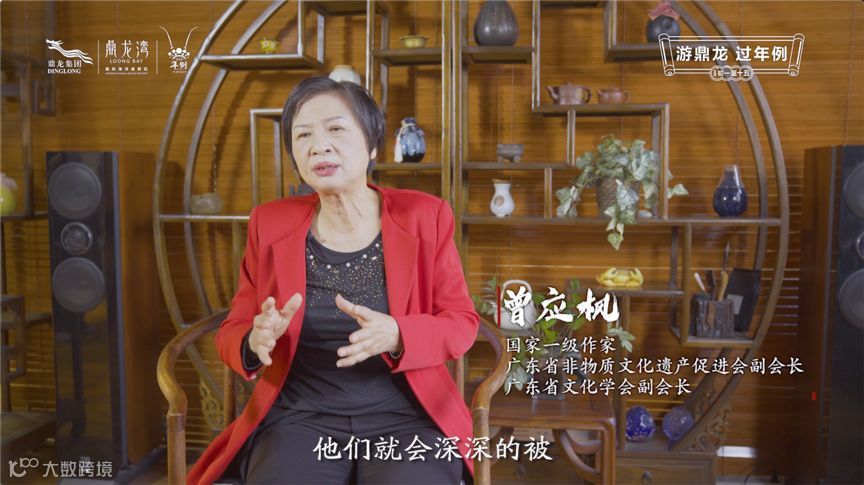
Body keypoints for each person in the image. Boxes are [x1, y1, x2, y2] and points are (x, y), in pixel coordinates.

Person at [187, 76, 480, 485]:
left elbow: (461, 323)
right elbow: (233, 328)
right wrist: (254, 341)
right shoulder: (269, 223)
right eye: (303, 135)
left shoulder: (425, 216)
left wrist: (398, 334)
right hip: (300, 419)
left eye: (336, 129)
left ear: (372, 144)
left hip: (407, 418)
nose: (318, 145)